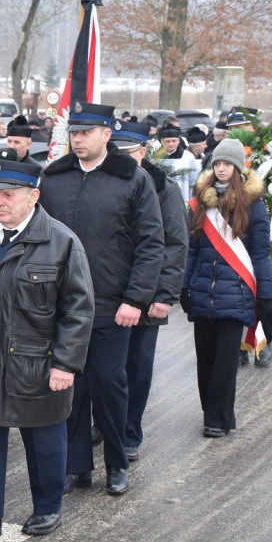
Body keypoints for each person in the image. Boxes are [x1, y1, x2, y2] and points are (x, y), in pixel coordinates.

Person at [0, 155, 93, 542]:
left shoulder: (61, 242)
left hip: (37, 363)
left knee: (43, 441)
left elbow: (78, 310)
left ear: (33, 196)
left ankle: (47, 508)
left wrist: (65, 364)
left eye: (9, 194)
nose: (0, 201)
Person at [37, 102, 164, 496]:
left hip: (112, 303)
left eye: (85, 133)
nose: (77, 139)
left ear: (106, 135)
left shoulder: (133, 180)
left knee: (109, 384)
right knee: (68, 388)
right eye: (73, 133)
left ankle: (115, 462)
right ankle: (77, 466)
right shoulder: (54, 179)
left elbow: (150, 243)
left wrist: (136, 299)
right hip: (61, 304)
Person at [181, 138, 272, 437]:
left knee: (225, 361)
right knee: (205, 360)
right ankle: (212, 412)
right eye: (217, 163)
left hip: (236, 295)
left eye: (227, 164)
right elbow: (192, 250)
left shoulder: (254, 206)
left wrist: (267, 293)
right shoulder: (200, 202)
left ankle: (218, 418)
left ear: (238, 168)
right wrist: (185, 286)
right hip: (202, 294)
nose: (221, 168)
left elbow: (260, 254)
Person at [110, 121, 189, 461]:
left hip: (147, 293)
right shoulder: (104, 182)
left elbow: (174, 243)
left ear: (143, 153)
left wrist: (164, 294)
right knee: (106, 368)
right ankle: (106, 425)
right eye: (117, 153)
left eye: (128, 153)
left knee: (137, 368)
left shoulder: (163, 188)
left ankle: (130, 433)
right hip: (108, 291)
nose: (122, 160)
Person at [157, 121, 200, 202]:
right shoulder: (155, 158)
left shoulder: (188, 157)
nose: (171, 144)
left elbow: (194, 180)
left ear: (179, 141)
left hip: (183, 198)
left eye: (174, 141)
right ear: (161, 141)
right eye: (167, 141)